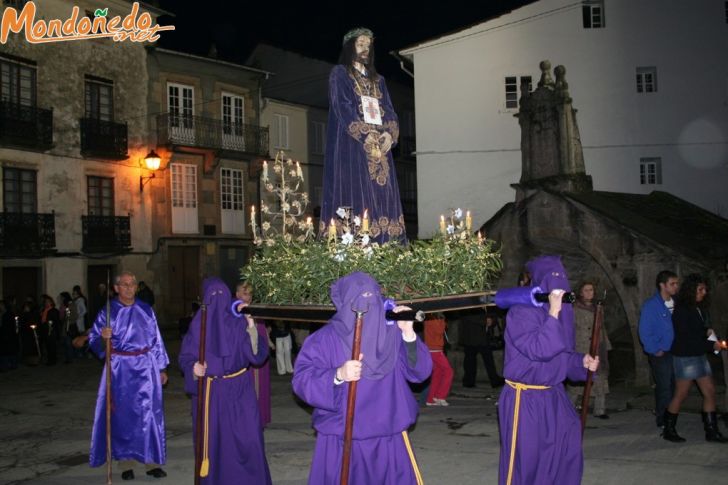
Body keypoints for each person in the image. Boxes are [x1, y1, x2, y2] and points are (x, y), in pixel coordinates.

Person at [292, 272, 432, 484]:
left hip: (388, 438)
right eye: (359, 297)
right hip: (342, 440)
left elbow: (419, 373)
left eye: (373, 295)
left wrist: (409, 334)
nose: (368, 303)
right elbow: (302, 380)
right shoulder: (325, 338)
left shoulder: (392, 334)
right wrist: (337, 375)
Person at [498, 255, 598, 485]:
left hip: (553, 395)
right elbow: (539, 349)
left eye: (562, 278)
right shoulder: (520, 312)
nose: (559, 285)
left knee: (566, 447)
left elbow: (562, 353)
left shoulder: (561, 313)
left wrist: (581, 362)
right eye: (553, 279)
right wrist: (553, 314)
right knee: (528, 460)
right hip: (525, 398)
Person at [179, 278, 272, 484]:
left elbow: (257, 356)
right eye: (212, 297)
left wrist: (250, 324)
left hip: (240, 390)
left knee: (249, 440)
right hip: (211, 393)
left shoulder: (238, 321)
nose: (217, 300)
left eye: (222, 294)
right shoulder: (197, 326)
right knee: (215, 443)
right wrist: (193, 367)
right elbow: (185, 357)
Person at [320, 27, 406, 244]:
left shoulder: (380, 81)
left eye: (369, 45)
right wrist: (365, 133)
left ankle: (387, 241)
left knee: (382, 196)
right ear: (350, 46)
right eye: (361, 44)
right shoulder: (340, 74)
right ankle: (354, 242)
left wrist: (389, 134)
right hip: (353, 147)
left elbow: (390, 110)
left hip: (381, 151)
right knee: (357, 194)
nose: (366, 48)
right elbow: (343, 107)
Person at [86, 271, 169, 481]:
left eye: (132, 284)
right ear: (116, 288)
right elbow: (94, 340)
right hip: (119, 368)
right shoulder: (108, 311)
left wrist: (161, 368)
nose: (129, 288)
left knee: (149, 415)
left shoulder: (146, 309)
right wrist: (102, 338)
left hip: (146, 367)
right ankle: (126, 463)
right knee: (122, 416)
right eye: (124, 284)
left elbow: (156, 341)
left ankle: (151, 461)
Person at [663, 273, 727, 442]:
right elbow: (686, 337)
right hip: (685, 357)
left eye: (705, 289)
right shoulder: (682, 310)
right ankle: (668, 429)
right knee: (681, 394)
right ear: (691, 290)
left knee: (710, 391)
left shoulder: (697, 307)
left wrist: (708, 333)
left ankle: (711, 431)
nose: (704, 292)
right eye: (700, 289)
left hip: (698, 355)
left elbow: (696, 331)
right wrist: (711, 345)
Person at [638, 270, 679, 430]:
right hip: (661, 352)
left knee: (676, 385)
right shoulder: (651, 305)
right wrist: (654, 349)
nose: (676, 286)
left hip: (677, 351)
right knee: (664, 387)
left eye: (677, 283)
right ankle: (663, 419)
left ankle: (671, 415)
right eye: (672, 284)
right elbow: (644, 330)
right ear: (663, 285)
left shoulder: (677, 303)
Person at [570, 281, 611, 419]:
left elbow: (602, 327)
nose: (589, 292)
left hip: (597, 345)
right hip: (581, 346)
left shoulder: (598, 308)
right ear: (581, 292)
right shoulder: (574, 308)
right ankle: (568, 407)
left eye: (591, 290)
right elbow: (569, 329)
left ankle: (600, 409)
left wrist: (605, 344)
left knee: (600, 377)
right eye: (586, 290)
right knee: (579, 379)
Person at [236, 281, 273, 427]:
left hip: (260, 358)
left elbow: (262, 334)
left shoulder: (256, 311)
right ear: (237, 294)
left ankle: (259, 419)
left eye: (250, 294)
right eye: (245, 293)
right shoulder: (234, 312)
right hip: (243, 359)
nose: (248, 297)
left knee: (259, 388)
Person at [459, 309, 505, 388]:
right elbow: (467, 315)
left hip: (482, 336)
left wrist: (492, 321)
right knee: (470, 360)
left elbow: (492, 314)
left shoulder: (484, 300)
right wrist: (485, 321)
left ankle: (494, 380)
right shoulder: (468, 302)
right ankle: (469, 381)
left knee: (488, 359)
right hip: (471, 335)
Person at [424, 313, 453, 406]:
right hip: (435, 350)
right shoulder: (433, 318)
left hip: (431, 349)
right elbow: (439, 331)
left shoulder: (428, 317)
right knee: (449, 372)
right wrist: (442, 320)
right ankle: (441, 397)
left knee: (438, 373)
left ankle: (431, 398)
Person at [39, 294, 61, 366]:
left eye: (48, 302)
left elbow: (56, 321)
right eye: (45, 302)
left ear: (51, 302)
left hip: (52, 330)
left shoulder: (54, 311)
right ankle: (49, 359)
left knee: (52, 346)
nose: (46, 303)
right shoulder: (43, 310)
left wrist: (57, 332)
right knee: (47, 346)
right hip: (44, 330)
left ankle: (53, 360)